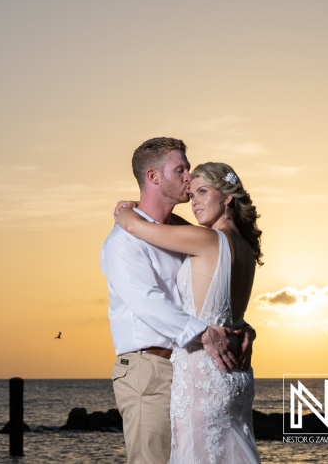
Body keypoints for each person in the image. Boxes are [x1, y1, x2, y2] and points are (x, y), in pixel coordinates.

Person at [101, 137, 255, 464]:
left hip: (193, 367)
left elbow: (213, 295)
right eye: (180, 170)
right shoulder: (125, 241)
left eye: (192, 173)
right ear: (154, 177)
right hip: (151, 369)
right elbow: (147, 302)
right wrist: (206, 333)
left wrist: (240, 329)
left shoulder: (186, 234)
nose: (188, 178)